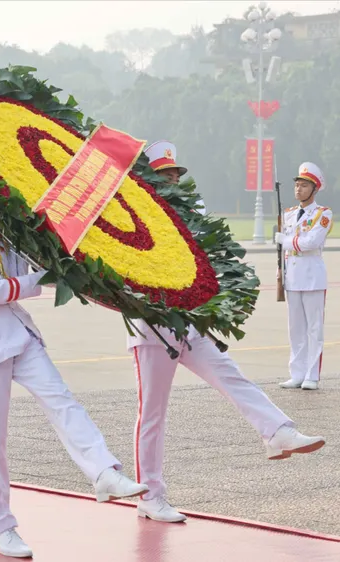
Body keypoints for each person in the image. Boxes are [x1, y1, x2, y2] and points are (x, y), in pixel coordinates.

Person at [0, 138, 147, 558]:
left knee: (62, 400)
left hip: (18, 332)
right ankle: (0, 528)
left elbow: (20, 263)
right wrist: (37, 282)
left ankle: (103, 470)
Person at [128, 144, 325, 524]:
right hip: (152, 324)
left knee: (230, 373)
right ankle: (150, 496)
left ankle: (278, 431)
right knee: (152, 414)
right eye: (165, 174)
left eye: (176, 174)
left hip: (190, 320)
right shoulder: (135, 215)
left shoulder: (194, 211)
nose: (173, 180)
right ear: (150, 179)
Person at [275, 162, 331, 391]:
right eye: (297, 185)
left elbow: (312, 242)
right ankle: (296, 373)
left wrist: (285, 241)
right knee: (295, 329)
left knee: (314, 328)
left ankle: (312, 375)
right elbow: (285, 249)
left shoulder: (322, 213)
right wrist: (280, 269)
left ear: (314, 189)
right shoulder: (288, 214)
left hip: (312, 276)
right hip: (293, 276)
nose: (298, 189)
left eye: (304, 185)